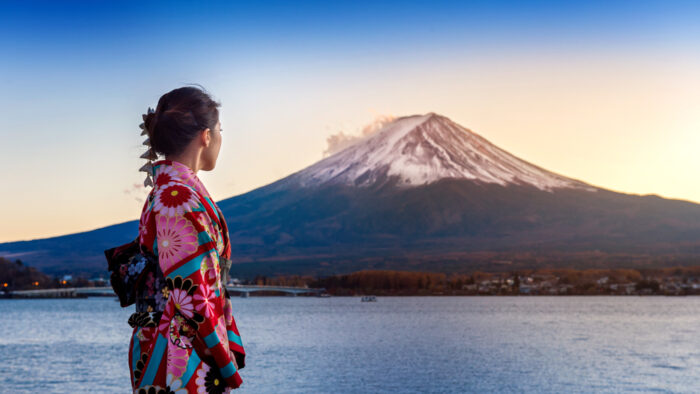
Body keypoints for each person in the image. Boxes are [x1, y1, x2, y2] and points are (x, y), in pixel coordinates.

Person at [129, 86, 245, 393]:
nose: (220, 139)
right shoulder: (176, 198)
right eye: (220, 130)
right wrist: (222, 356)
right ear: (206, 136)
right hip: (181, 350)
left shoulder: (172, 193)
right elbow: (192, 289)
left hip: (176, 339)